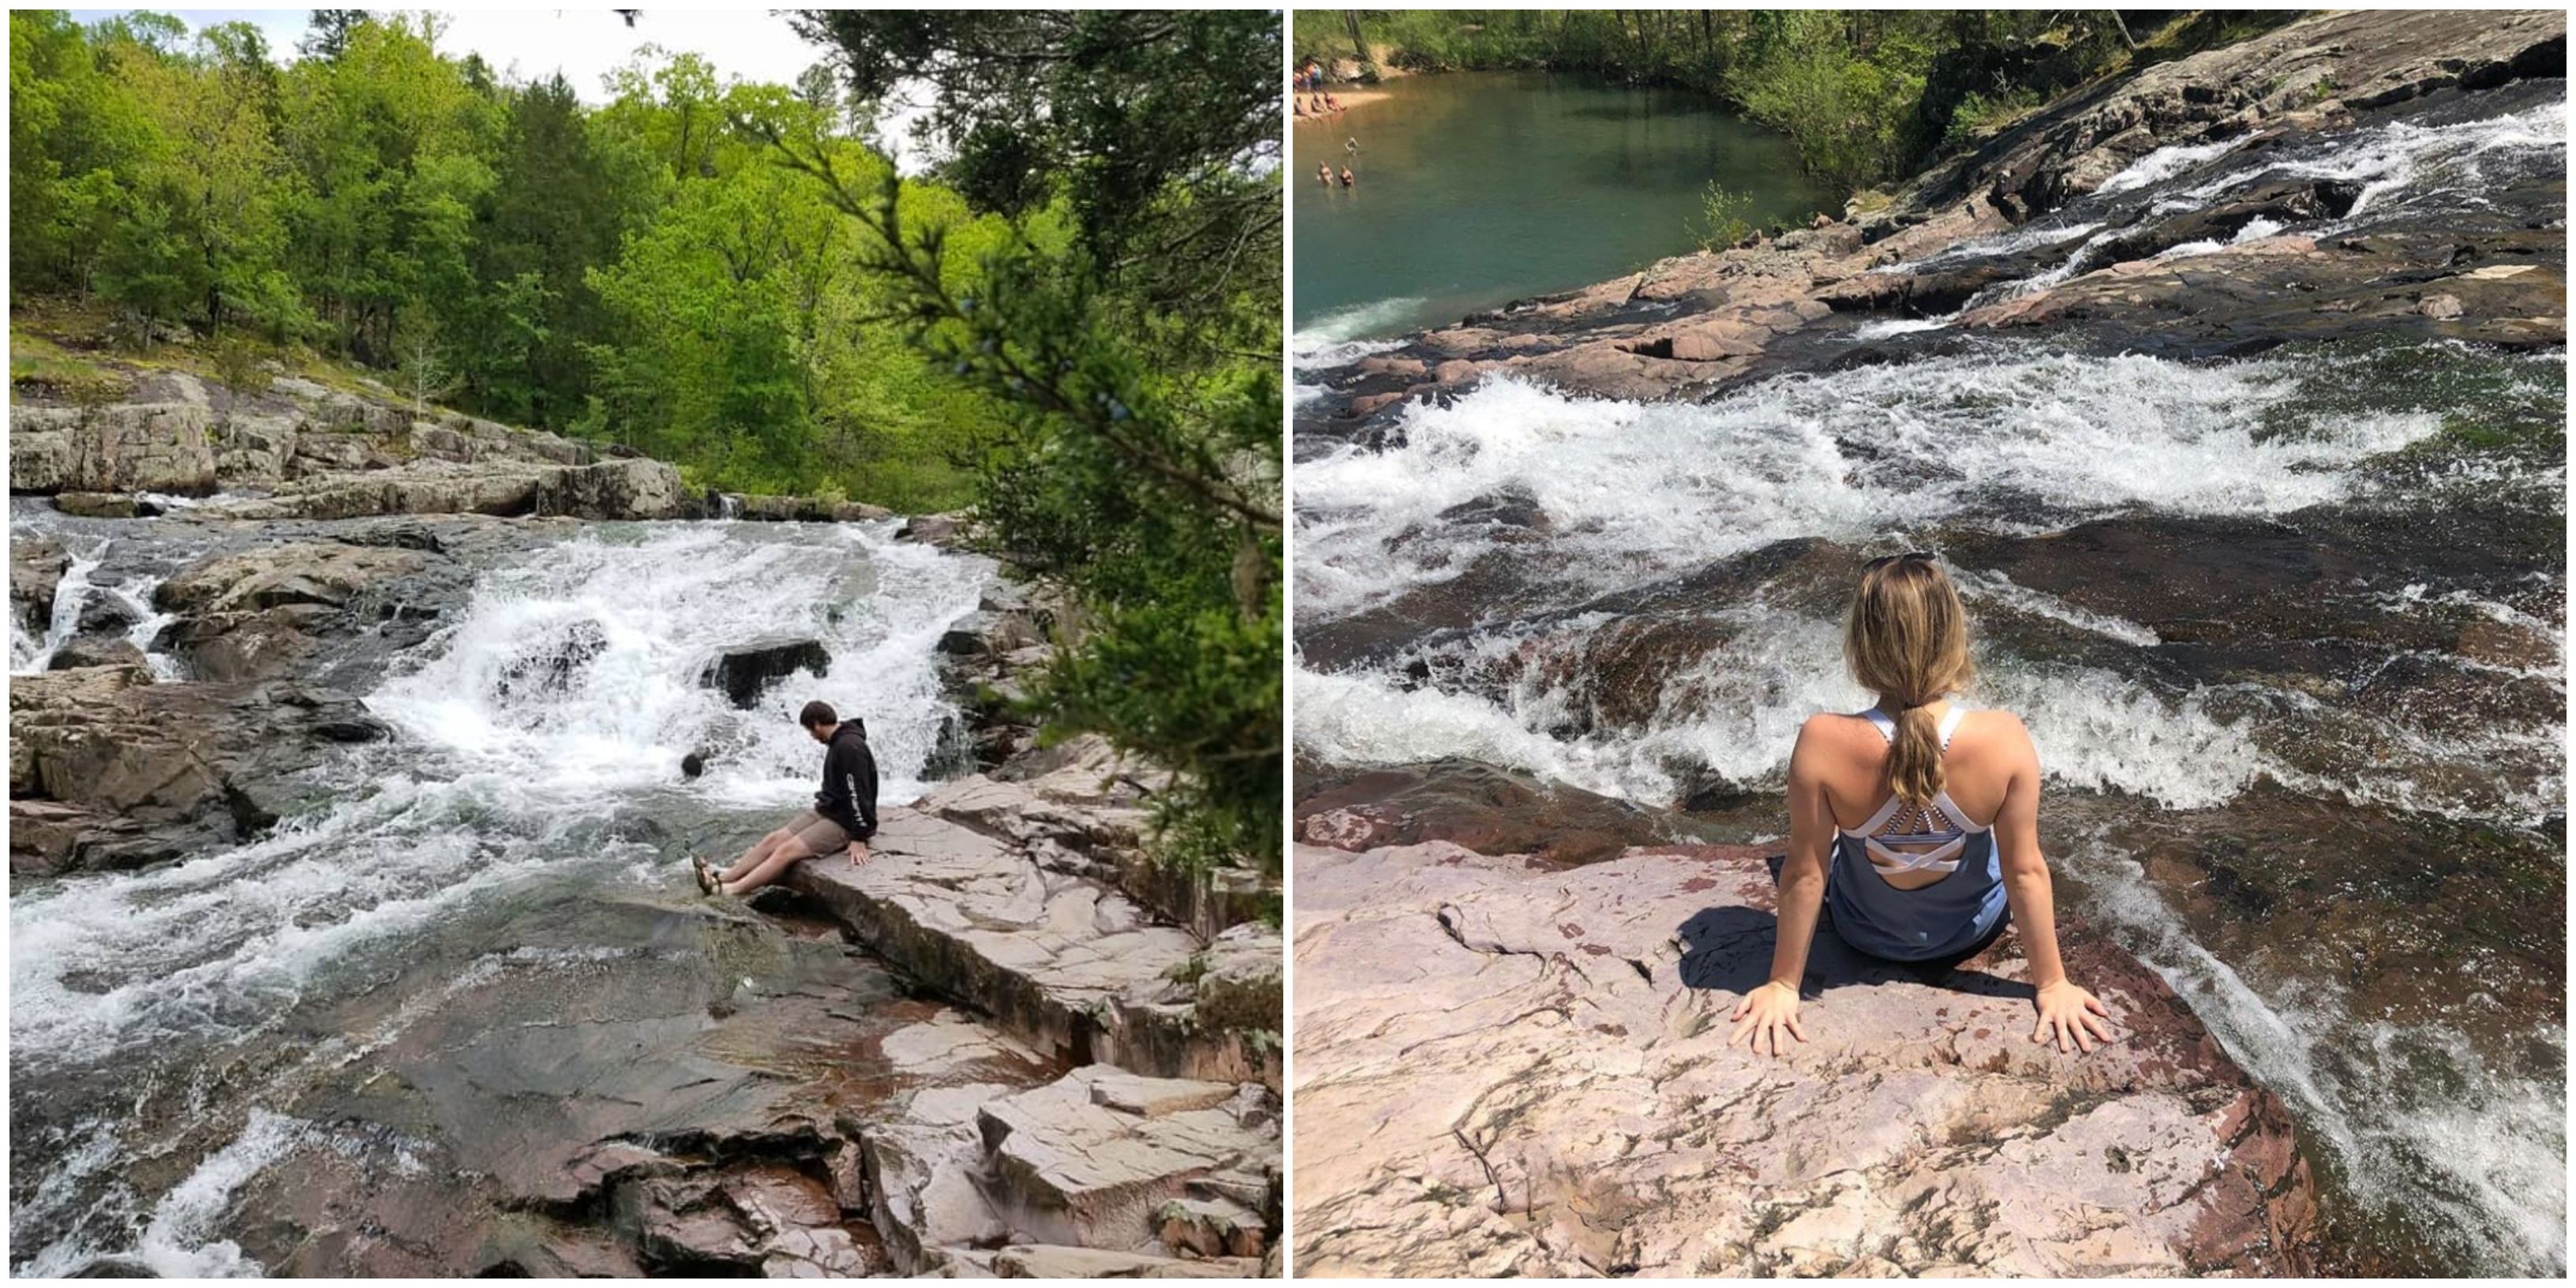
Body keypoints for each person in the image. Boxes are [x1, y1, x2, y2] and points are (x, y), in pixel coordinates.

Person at [1728, 552, 2115, 1059]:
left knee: (1812, 852)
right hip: (1970, 932)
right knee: (2000, 849)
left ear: (1862, 646)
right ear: (1953, 638)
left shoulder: (1822, 740)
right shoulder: (2003, 736)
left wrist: (1783, 984)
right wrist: (2052, 984)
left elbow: (1806, 874)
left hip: (1864, 934)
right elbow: (2025, 872)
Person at [695, 699, 878, 897]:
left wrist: (859, 837)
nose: (812, 737)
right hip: (829, 810)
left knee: (786, 851)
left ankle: (730, 890)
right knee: (773, 840)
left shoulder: (849, 747)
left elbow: (858, 792)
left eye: (810, 731)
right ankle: (725, 877)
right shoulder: (839, 741)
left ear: (817, 725)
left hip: (846, 822)